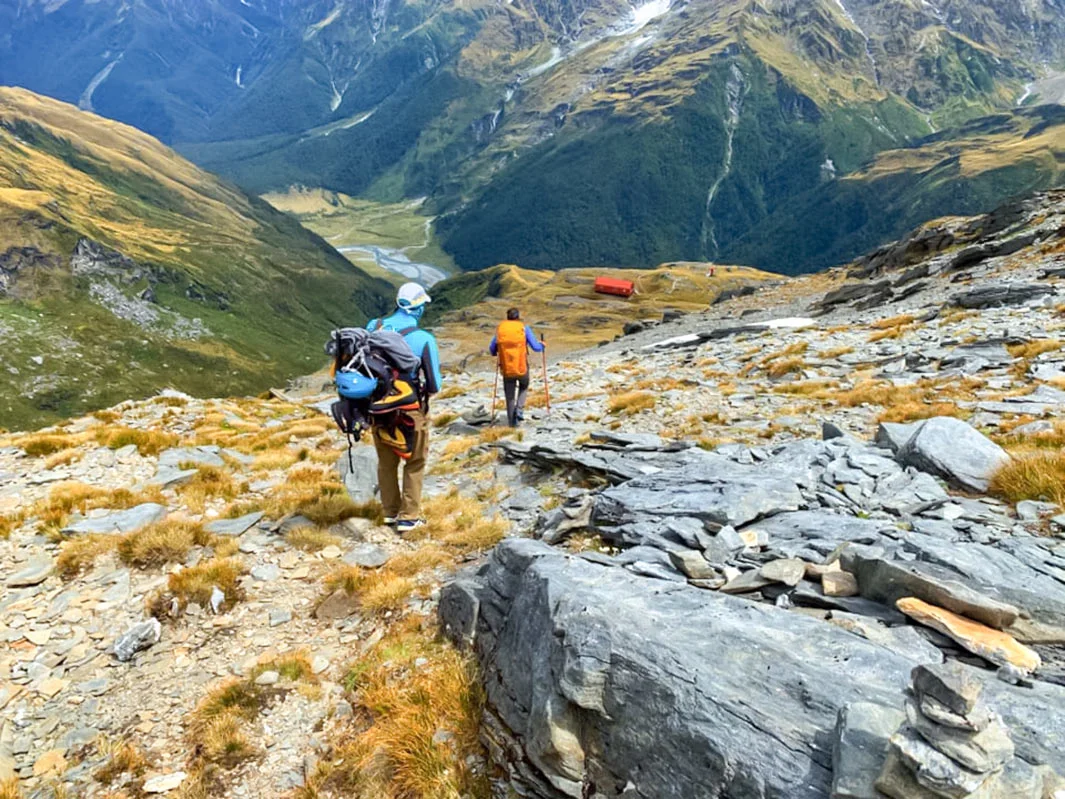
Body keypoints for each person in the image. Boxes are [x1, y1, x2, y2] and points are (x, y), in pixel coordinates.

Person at [366, 282, 442, 532]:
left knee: (386, 462)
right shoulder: (424, 339)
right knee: (415, 461)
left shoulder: (373, 327)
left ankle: (389, 512)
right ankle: (409, 517)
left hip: (378, 408)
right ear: (418, 308)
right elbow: (434, 384)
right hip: (410, 409)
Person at [489, 308, 544, 427]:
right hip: (521, 366)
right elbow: (536, 347)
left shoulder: (501, 330)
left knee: (509, 396)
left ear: (507, 317)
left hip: (507, 368)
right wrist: (542, 345)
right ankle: (519, 410)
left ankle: (511, 424)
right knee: (524, 385)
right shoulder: (524, 328)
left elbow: (492, 349)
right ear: (518, 317)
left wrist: (496, 352)